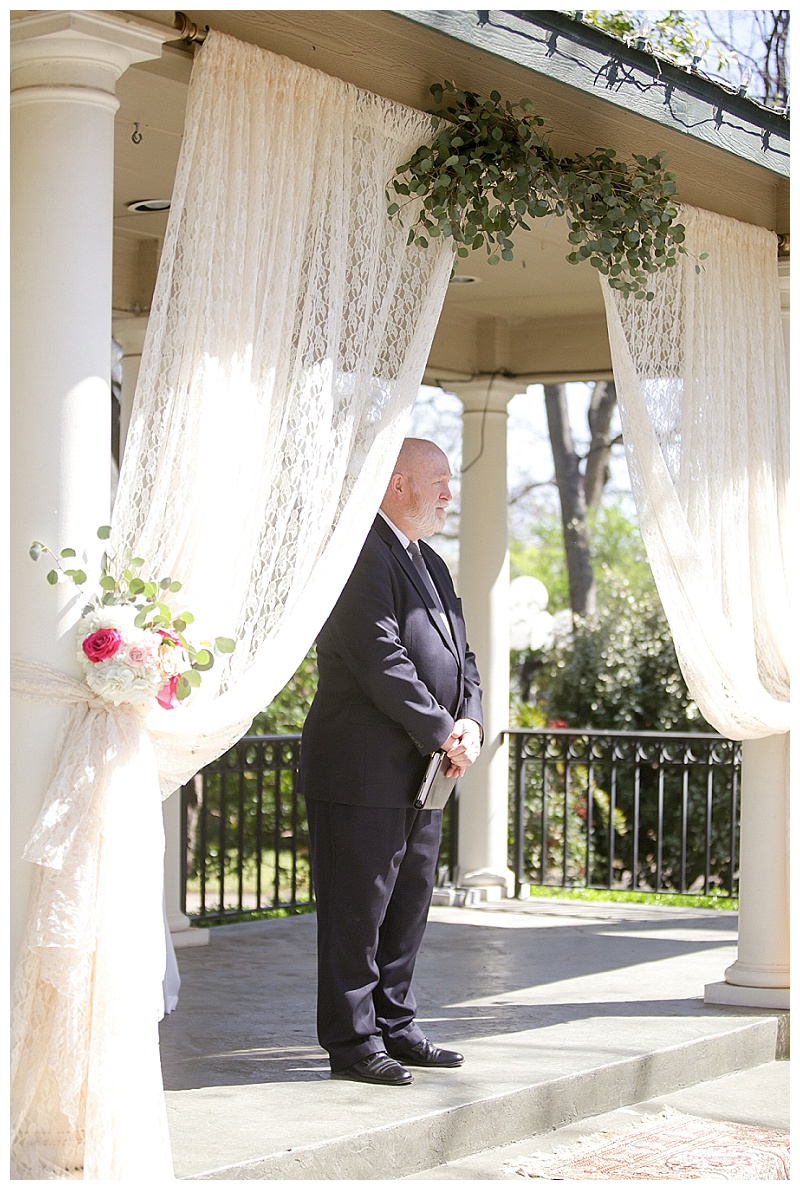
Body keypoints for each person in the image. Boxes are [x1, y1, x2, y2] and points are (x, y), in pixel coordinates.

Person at [300, 437, 483, 1087]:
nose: (448, 494)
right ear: (396, 483)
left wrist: (471, 723)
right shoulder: (356, 551)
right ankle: (352, 1045)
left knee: (408, 907)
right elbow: (381, 661)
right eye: (438, 481)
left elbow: (464, 657)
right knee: (357, 914)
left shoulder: (430, 561)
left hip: (427, 774)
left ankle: (396, 1028)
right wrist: (442, 732)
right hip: (360, 771)